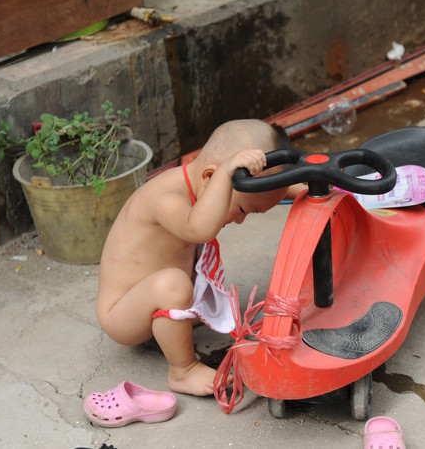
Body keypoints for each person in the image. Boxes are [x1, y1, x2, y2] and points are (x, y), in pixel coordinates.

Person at [96, 119, 292, 397]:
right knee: (173, 283)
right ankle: (183, 370)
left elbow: (265, 193)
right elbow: (200, 228)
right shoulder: (164, 198)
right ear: (212, 177)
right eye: (241, 210)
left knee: (176, 281)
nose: (239, 220)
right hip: (122, 313)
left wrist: (303, 185)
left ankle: (179, 312)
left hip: (154, 293)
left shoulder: (201, 186)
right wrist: (227, 173)